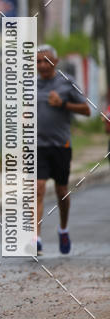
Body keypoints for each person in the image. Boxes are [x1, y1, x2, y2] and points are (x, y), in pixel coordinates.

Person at [36, 45, 90, 255]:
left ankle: (63, 229)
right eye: (38, 61)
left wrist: (63, 104)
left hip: (61, 145)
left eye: (46, 61)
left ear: (56, 62)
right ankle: (36, 238)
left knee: (61, 191)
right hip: (37, 145)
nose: (42, 65)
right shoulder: (30, 85)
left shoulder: (66, 82)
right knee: (38, 187)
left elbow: (86, 110)